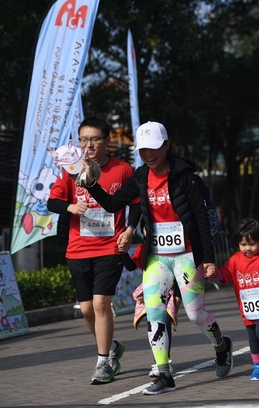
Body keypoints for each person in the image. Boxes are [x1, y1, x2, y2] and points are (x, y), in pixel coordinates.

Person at [81, 121, 234, 395]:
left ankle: (222, 346)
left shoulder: (185, 178)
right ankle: (164, 374)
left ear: (166, 146)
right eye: (143, 150)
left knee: (196, 315)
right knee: (154, 312)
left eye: (153, 148)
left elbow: (201, 218)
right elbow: (114, 204)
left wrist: (209, 258)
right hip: (158, 258)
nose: (148, 154)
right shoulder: (140, 177)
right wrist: (92, 183)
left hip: (187, 255)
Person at [47, 116, 140, 385]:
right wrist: (70, 207)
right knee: (87, 309)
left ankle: (103, 363)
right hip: (78, 249)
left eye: (94, 139)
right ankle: (111, 348)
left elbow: (136, 204)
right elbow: (52, 201)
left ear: (107, 140)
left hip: (110, 248)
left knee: (101, 304)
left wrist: (129, 230)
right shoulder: (71, 169)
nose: (88, 145)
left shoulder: (123, 169)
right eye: (83, 139)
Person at [206, 218, 259, 381]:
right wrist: (213, 273)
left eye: (251, 244)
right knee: (252, 337)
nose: (247, 248)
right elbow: (224, 275)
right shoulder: (235, 260)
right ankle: (257, 364)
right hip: (248, 308)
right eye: (243, 244)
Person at [122, 243, 181, 378]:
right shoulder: (143, 248)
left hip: (171, 289)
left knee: (165, 321)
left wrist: (178, 294)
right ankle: (160, 362)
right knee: (155, 323)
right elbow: (130, 266)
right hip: (153, 290)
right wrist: (123, 252)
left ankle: (164, 361)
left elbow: (181, 269)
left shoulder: (170, 245)